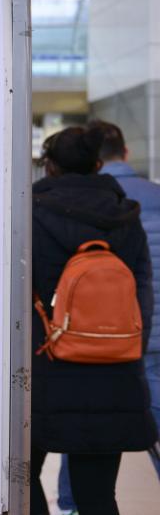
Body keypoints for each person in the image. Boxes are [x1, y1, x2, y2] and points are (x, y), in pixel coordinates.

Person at [31, 126, 158, 515]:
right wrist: (129, 350)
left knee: (24, 482)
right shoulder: (126, 215)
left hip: (43, 369)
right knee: (99, 493)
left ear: (49, 166)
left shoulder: (32, 211)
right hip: (112, 370)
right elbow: (142, 290)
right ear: (98, 165)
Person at [94, 119, 160, 479]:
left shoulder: (98, 201)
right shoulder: (154, 193)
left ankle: (73, 501)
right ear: (127, 152)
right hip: (153, 323)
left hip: (111, 327)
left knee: (91, 410)